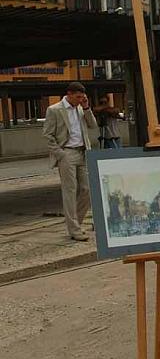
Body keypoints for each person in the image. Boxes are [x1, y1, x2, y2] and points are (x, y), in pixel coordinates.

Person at [42, 82, 98, 241]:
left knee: (87, 190)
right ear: (69, 94)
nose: (80, 100)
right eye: (78, 97)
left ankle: (76, 224)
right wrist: (60, 154)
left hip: (82, 152)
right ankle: (74, 230)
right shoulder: (54, 110)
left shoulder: (81, 108)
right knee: (70, 191)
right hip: (67, 153)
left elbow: (93, 125)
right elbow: (47, 134)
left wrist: (86, 107)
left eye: (83, 97)